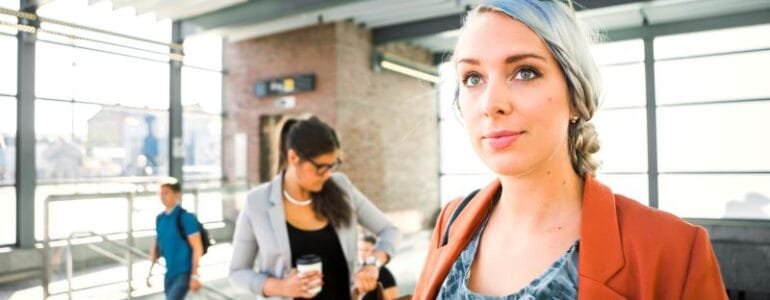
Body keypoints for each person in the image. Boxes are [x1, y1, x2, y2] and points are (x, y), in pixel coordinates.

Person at [413, 1, 727, 299]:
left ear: (575, 95)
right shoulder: (452, 220)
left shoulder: (673, 251)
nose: (491, 103)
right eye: (472, 78)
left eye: (525, 72)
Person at [229, 116, 401, 300]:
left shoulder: (342, 188)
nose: (328, 174)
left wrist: (372, 264)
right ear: (293, 157)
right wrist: (280, 287)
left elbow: (389, 230)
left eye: (332, 165)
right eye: (321, 167)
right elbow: (237, 272)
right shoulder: (257, 202)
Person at [149, 178, 204, 300]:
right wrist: (149, 274)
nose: (162, 196)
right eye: (161, 193)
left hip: (184, 273)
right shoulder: (160, 219)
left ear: (176, 194)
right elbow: (157, 244)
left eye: (166, 192)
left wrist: (194, 275)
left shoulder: (186, 218)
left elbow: (197, 247)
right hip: (169, 273)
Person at [359, 235, 399, 300]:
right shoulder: (358, 272)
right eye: (360, 250)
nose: (362, 253)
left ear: (376, 252)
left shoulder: (383, 273)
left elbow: (393, 298)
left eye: (366, 250)